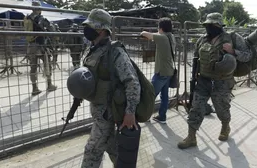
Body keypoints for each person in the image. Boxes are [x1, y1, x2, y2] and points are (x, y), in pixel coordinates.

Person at [68, 9, 141, 167]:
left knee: (92, 150)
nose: (87, 29)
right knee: (112, 147)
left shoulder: (115, 53)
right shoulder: (93, 50)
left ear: (101, 30)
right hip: (98, 110)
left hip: (108, 112)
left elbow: (132, 83)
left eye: (91, 26)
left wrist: (130, 112)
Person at [177, 13, 252, 149]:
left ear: (219, 25)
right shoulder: (202, 40)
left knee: (222, 110)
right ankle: (191, 137)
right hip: (203, 81)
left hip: (222, 82)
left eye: (212, 25)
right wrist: (194, 78)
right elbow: (195, 59)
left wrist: (233, 51)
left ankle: (225, 127)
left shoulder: (232, 38)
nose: (209, 27)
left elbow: (248, 55)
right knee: (196, 109)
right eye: (207, 25)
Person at [140, 17, 176, 124]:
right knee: (164, 96)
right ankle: (162, 116)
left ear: (160, 28)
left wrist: (142, 32)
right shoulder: (171, 36)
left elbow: (145, 34)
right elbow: (157, 35)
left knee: (150, 95)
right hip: (169, 71)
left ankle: (145, 116)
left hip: (161, 73)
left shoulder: (162, 38)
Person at [23, 1, 57, 96]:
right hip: (41, 46)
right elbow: (52, 29)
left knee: (33, 67)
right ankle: (49, 85)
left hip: (31, 46)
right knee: (47, 64)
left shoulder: (27, 18)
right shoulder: (41, 19)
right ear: (39, 9)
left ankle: (34, 88)